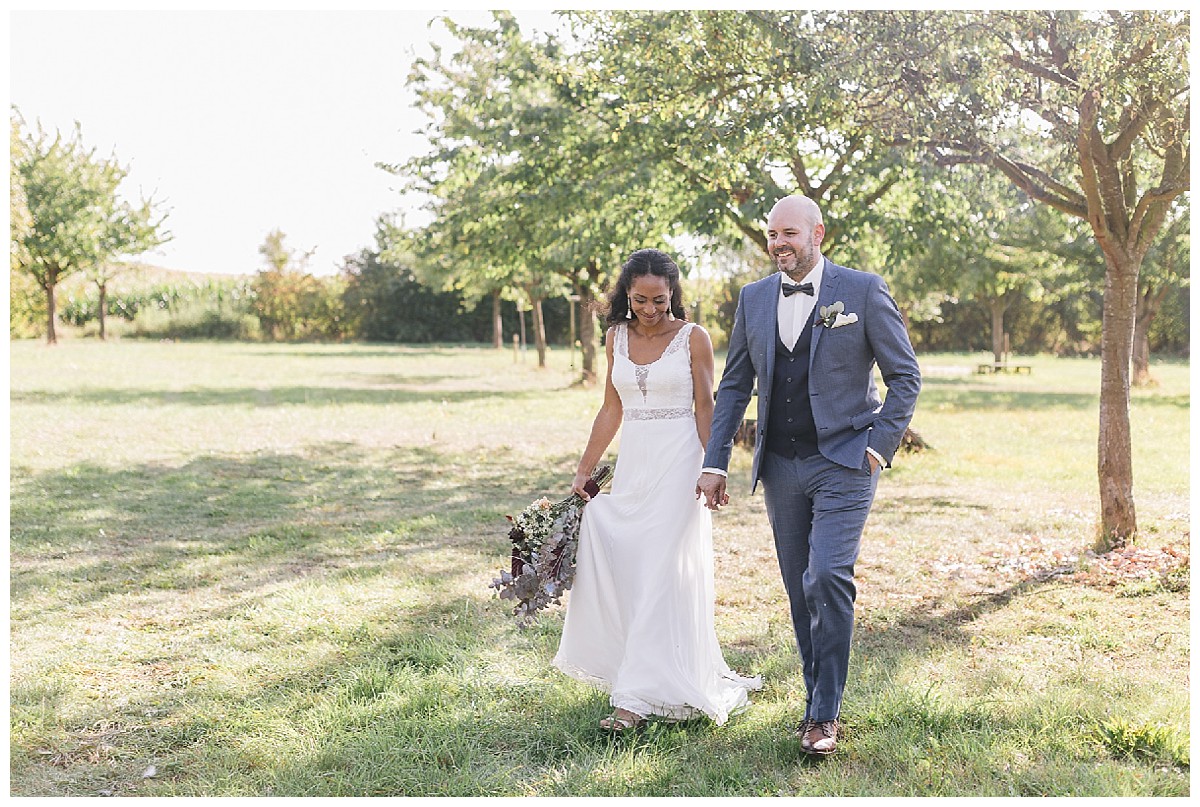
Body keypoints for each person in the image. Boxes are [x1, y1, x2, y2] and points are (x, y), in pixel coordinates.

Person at [697, 195, 921, 756]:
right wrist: (715, 460)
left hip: (846, 462)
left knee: (826, 577)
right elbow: (733, 387)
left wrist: (877, 448)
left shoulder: (863, 291)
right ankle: (814, 702)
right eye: (772, 235)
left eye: (789, 234)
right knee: (801, 590)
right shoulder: (752, 299)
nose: (779, 244)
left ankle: (824, 714)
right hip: (780, 467)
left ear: (818, 233)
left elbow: (906, 377)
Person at [554, 248, 761, 733]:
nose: (650, 309)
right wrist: (584, 469)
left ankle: (633, 700)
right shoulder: (615, 338)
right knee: (628, 561)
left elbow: (707, 408)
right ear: (626, 295)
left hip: (681, 460)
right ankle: (642, 669)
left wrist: (716, 466)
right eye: (641, 300)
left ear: (673, 294)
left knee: (664, 570)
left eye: (660, 300)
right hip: (635, 465)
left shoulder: (694, 338)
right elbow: (611, 408)